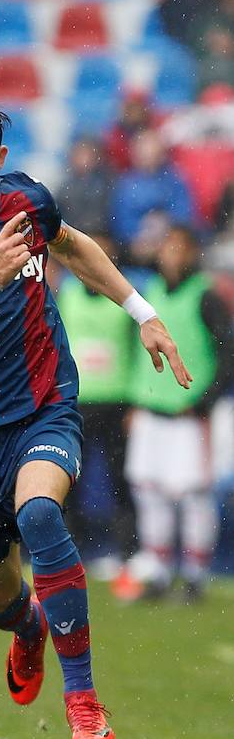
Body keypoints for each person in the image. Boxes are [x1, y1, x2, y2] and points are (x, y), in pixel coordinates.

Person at [0, 91, 191, 739]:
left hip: (42, 408)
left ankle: (81, 697)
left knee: (41, 515)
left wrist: (145, 315)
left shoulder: (27, 204)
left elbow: (74, 249)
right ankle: (29, 630)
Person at [119, 224, 234, 601]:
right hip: (151, 409)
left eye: (178, 248)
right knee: (150, 491)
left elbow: (226, 354)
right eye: (166, 247)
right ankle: (159, 570)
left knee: (192, 494)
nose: (171, 254)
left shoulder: (205, 297)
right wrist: (134, 400)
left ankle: (196, 575)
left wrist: (205, 400)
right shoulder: (147, 294)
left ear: (191, 253)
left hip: (188, 414)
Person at [56, 232, 137, 577]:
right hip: (77, 401)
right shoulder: (68, 295)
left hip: (117, 401)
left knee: (121, 478)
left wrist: (137, 401)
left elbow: (138, 353)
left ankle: (127, 552)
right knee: (68, 479)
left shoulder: (126, 299)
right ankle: (71, 551)